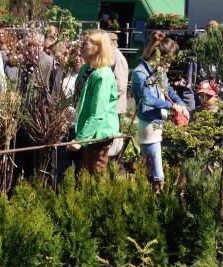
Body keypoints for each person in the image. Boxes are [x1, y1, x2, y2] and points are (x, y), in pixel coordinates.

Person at [131, 31, 189, 192]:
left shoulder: (159, 71)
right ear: (159, 56)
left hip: (162, 122)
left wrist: (181, 104)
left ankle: (177, 189)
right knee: (155, 174)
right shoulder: (139, 73)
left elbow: (168, 90)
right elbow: (147, 99)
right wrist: (172, 106)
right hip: (148, 124)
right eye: (168, 60)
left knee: (184, 150)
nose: (169, 65)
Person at [66, 29, 119, 174]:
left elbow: (98, 113)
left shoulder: (103, 75)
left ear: (98, 47)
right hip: (85, 128)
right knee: (85, 172)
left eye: (85, 43)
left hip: (99, 132)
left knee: (96, 173)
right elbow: (77, 98)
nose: (81, 46)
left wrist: (80, 140)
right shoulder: (85, 69)